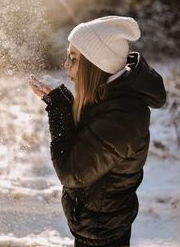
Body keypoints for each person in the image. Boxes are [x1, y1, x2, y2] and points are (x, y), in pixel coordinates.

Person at [28, 16, 166, 247]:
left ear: (96, 64)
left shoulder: (125, 116)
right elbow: (88, 138)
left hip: (102, 234)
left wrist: (60, 109)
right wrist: (61, 99)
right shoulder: (109, 94)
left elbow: (71, 171)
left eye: (73, 58)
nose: (65, 65)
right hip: (97, 226)